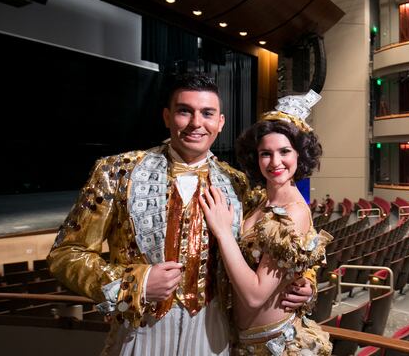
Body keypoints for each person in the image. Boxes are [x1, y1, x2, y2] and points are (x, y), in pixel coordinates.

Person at [47, 73, 313, 355]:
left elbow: (281, 245)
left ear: (220, 122)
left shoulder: (240, 184)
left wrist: (305, 281)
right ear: (167, 116)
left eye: (207, 113)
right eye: (185, 111)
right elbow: (66, 254)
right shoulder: (116, 172)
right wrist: (136, 283)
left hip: (215, 329)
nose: (196, 123)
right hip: (140, 327)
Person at [201, 90, 333, 355]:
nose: (275, 162)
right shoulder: (261, 201)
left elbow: (255, 296)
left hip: (274, 346)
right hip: (244, 341)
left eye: (284, 151)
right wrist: (305, 280)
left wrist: (224, 233)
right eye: (265, 153)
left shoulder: (293, 211)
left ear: (300, 155)